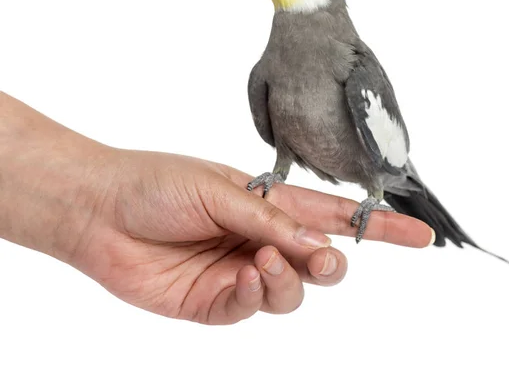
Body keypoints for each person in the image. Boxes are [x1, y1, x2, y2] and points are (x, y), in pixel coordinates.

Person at [0, 91, 434, 325]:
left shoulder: (355, 69)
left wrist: (99, 201)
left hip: (382, 172)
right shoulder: (267, 74)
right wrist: (97, 206)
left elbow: (388, 148)